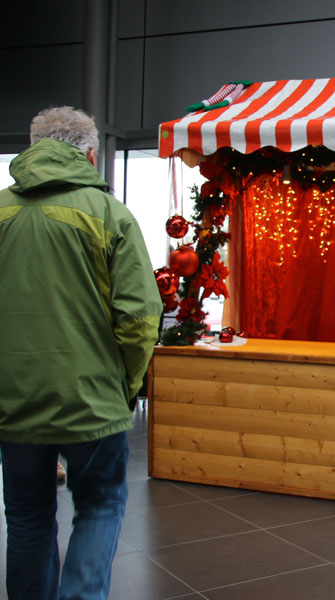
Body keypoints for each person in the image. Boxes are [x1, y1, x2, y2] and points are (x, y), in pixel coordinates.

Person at [0, 106, 163, 600]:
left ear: (33, 146)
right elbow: (138, 317)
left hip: (14, 400)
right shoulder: (109, 214)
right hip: (92, 399)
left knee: (27, 518)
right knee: (100, 506)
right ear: (91, 154)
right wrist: (126, 387)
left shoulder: (2, 211)